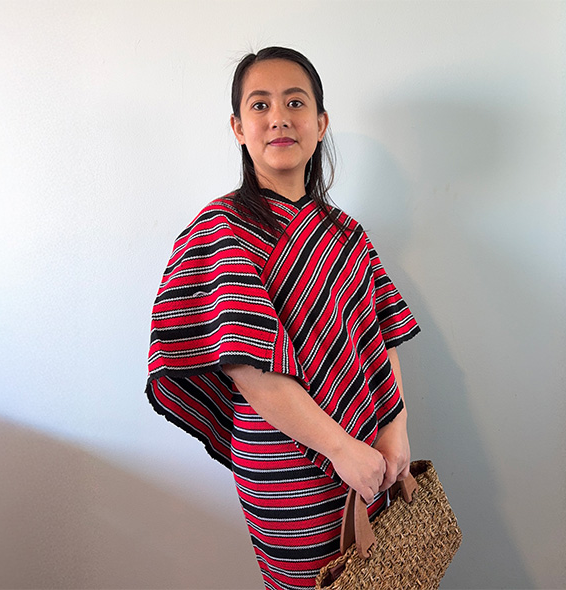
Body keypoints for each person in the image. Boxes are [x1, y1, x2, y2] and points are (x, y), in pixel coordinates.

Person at [145, 46, 420, 590]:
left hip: (371, 456)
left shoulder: (345, 231)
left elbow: (382, 341)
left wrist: (396, 431)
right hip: (286, 469)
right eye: (260, 104)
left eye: (295, 102)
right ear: (238, 127)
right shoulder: (222, 228)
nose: (279, 117)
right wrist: (340, 450)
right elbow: (248, 369)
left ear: (320, 124)